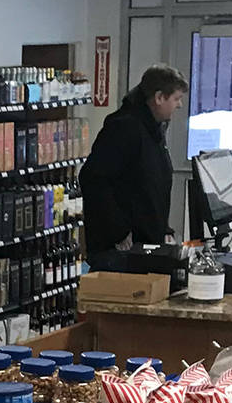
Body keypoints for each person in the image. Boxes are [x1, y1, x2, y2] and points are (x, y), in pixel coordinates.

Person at [79, 65, 188, 263]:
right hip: (120, 248)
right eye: (176, 99)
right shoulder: (124, 128)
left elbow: (149, 185)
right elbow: (93, 180)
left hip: (145, 243)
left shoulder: (153, 130)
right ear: (159, 98)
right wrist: (118, 232)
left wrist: (162, 229)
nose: (179, 105)